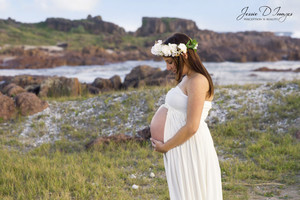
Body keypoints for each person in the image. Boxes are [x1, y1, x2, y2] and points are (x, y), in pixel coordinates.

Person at [150, 33, 223, 200]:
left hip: (189, 147)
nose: (168, 67)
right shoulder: (188, 78)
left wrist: (166, 146)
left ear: (183, 55)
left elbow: (192, 126)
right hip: (180, 146)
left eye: (169, 62)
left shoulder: (198, 81)